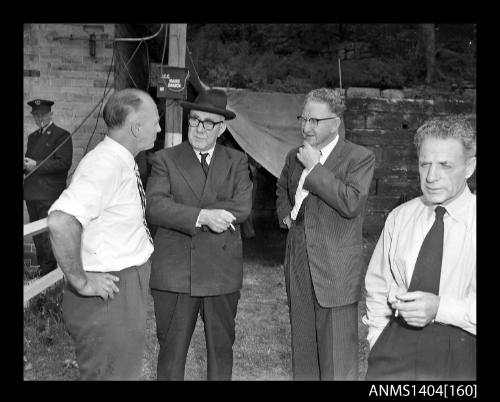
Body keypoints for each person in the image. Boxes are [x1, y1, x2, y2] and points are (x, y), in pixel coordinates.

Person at [47, 88, 161, 380]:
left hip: (122, 287)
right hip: (109, 296)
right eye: (156, 121)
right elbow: (62, 221)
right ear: (136, 127)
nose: (159, 128)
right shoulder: (105, 164)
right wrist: (81, 282)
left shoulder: (120, 159)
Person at [146, 88, 253, 381]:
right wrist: (203, 216)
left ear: (221, 128)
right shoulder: (165, 159)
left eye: (208, 123)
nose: (200, 129)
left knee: (221, 354)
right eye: (194, 120)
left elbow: (242, 207)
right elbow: (155, 207)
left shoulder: (237, 161)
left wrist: (181, 210)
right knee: (171, 355)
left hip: (221, 272)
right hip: (176, 272)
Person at [363, 114, 476, 381]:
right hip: (393, 354)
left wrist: (439, 308)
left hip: (463, 355)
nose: (432, 176)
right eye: (425, 164)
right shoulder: (400, 217)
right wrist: (377, 339)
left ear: (470, 167)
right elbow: (378, 285)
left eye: (445, 165)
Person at [276, 88, 375, 380]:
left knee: (337, 360)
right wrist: (287, 216)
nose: (306, 127)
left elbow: (351, 202)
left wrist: (316, 168)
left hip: (336, 269)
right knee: (304, 350)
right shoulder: (294, 156)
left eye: (315, 121)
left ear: (336, 122)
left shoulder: (359, 157)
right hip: (298, 260)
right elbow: (282, 187)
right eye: (303, 119)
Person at [24, 99, 72, 276]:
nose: (39, 118)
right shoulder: (32, 137)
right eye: (36, 115)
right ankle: (43, 272)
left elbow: (63, 164)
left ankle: (49, 274)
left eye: (43, 114)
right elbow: (30, 164)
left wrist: (35, 164)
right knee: (37, 236)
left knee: (47, 235)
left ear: (51, 114)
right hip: (32, 194)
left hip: (49, 194)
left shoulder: (61, 135)